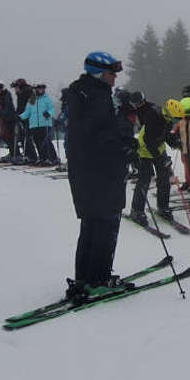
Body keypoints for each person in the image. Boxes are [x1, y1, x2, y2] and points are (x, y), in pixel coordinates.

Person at [63, 51, 136, 299]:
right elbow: (98, 134)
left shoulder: (84, 93)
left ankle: (85, 277)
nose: (114, 77)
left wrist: (123, 140)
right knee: (105, 222)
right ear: (98, 72)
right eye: (111, 73)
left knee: (92, 223)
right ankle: (98, 279)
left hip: (86, 171)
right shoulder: (96, 97)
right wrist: (122, 147)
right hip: (100, 171)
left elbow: (100, 131)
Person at [126, 93, 174, 223]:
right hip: (144, 151)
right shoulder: (151, 116)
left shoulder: (162, 115)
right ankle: (137, 210)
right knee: (144, 180)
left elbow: (165, 133)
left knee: (164, 178)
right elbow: (148, 139)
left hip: (158, 148)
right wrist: (160, 156)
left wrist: (175, 142)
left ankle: (163, 207)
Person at [20, 83, 59, 165]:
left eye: (42, 88)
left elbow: (52, 108)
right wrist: (20, 117)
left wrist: (49, 113)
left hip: (44, 123)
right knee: (37, 142)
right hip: (34, 125)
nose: (40, 90)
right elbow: (27, 111)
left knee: (46, 142)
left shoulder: (46, 99)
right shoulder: (32, 99)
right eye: (38, 88)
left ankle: (52, 158)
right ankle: (42, 158)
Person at [0, 81, 18, 161]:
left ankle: (16, 153)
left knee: (10, 137)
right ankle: (12, 152)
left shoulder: (6, 95)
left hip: (10, 119)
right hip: (2, 120)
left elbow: (8, 108)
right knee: (4, 136)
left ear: (2, 88)